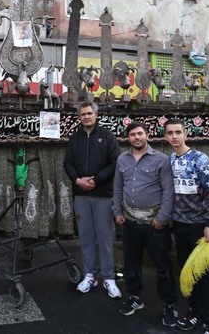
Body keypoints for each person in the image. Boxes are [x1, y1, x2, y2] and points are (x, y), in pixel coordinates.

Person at [113, 122, 178, 327]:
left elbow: (168, 191)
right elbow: (117, 187)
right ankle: (134, 297)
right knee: (131, 263)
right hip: (130, 222)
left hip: (154, 223)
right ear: (128, 138)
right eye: (132, 134)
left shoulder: (161, 159)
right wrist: (117, 211)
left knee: (163, 266)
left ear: (147, 135)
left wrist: (163, 218)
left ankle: (169, 304)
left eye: (140, 133)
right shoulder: (122, 159)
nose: (137, 137)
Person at [164, 119, 209, 334]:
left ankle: (206, 323)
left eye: (178, 132)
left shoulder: (200, 159)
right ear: (165, 136)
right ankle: (193, 312)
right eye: (170, 133)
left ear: (185, 134)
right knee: (187, 273)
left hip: (200, 226)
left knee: (202, 276)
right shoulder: (170, 160)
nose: (174, 136)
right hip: (179, 225)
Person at [63, 101, 121, 298]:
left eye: (89, 113)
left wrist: (96, 180)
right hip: (81, 194)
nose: (86, 117)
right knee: (86, 236)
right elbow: (68, 163)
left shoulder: (107, 136)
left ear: (96, 115)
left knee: (105, 237)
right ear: (79, 117)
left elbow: (114, 163)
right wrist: (78, 180)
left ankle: (109, 277)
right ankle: (90, 274)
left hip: (102, 194)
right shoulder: (74, 138)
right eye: (83, 114)